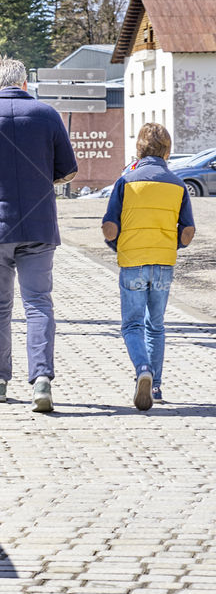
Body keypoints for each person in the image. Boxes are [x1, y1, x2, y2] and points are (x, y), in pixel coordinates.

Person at [0, 57, 77, 412]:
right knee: (38, 302)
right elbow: (67, 171)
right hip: (38, 224)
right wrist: (42, 181)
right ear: (24, 84)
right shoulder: (48, 115)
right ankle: (41, 380)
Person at [101, 123, 195, 410]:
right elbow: (188, 232)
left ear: (138, 149)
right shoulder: (178, 185)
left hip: (132, 262)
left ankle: (143, 369)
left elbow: (109, 228)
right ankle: (155, 387)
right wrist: (173, 244)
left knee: (132, 324)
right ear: (168, 151)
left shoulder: (126, 182)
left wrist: (114, 243)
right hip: (164, 264)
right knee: (157, 326)